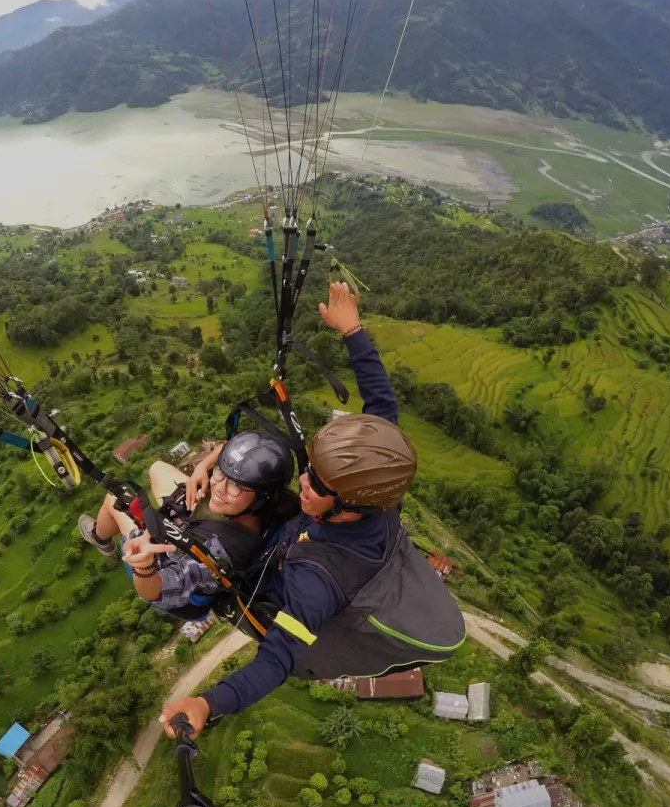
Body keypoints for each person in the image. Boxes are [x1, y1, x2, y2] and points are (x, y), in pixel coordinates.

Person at [158, 280, 465, 737]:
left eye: (316, 481)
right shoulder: (377, 490)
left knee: (156, 480)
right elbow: (383, 410)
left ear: (346, 504)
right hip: (281, 537)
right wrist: (352, 330)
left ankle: (107, 537)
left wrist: (209, 703)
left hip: (260, 569)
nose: (302, 479)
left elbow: (278, 658)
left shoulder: (317, 581)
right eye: (311, 470)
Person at [78, 430, 294, 617]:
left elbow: (156, 593)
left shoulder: (219, 554)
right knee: (157, 468)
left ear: (261, 498)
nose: (219, 487)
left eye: (236, 485)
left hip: (179, 587)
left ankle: (101, 539)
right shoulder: (269, 502)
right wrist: (204, 466)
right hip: (203, 526)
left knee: (114, 501)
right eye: (221, 472)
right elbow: (228, 446)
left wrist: (144, 564)